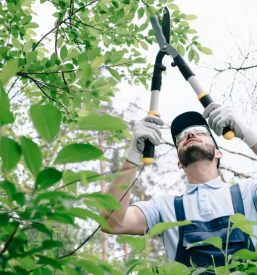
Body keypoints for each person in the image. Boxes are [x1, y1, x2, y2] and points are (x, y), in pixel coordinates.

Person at [100, 103, 257, 267]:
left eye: (200, 132)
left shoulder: (248, 192)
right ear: (179, 163)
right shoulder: (164, 207)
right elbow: (110, 222)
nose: (190, 133)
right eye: (181, 137)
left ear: (219, 153)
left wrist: (248, 134)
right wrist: (133, 154)